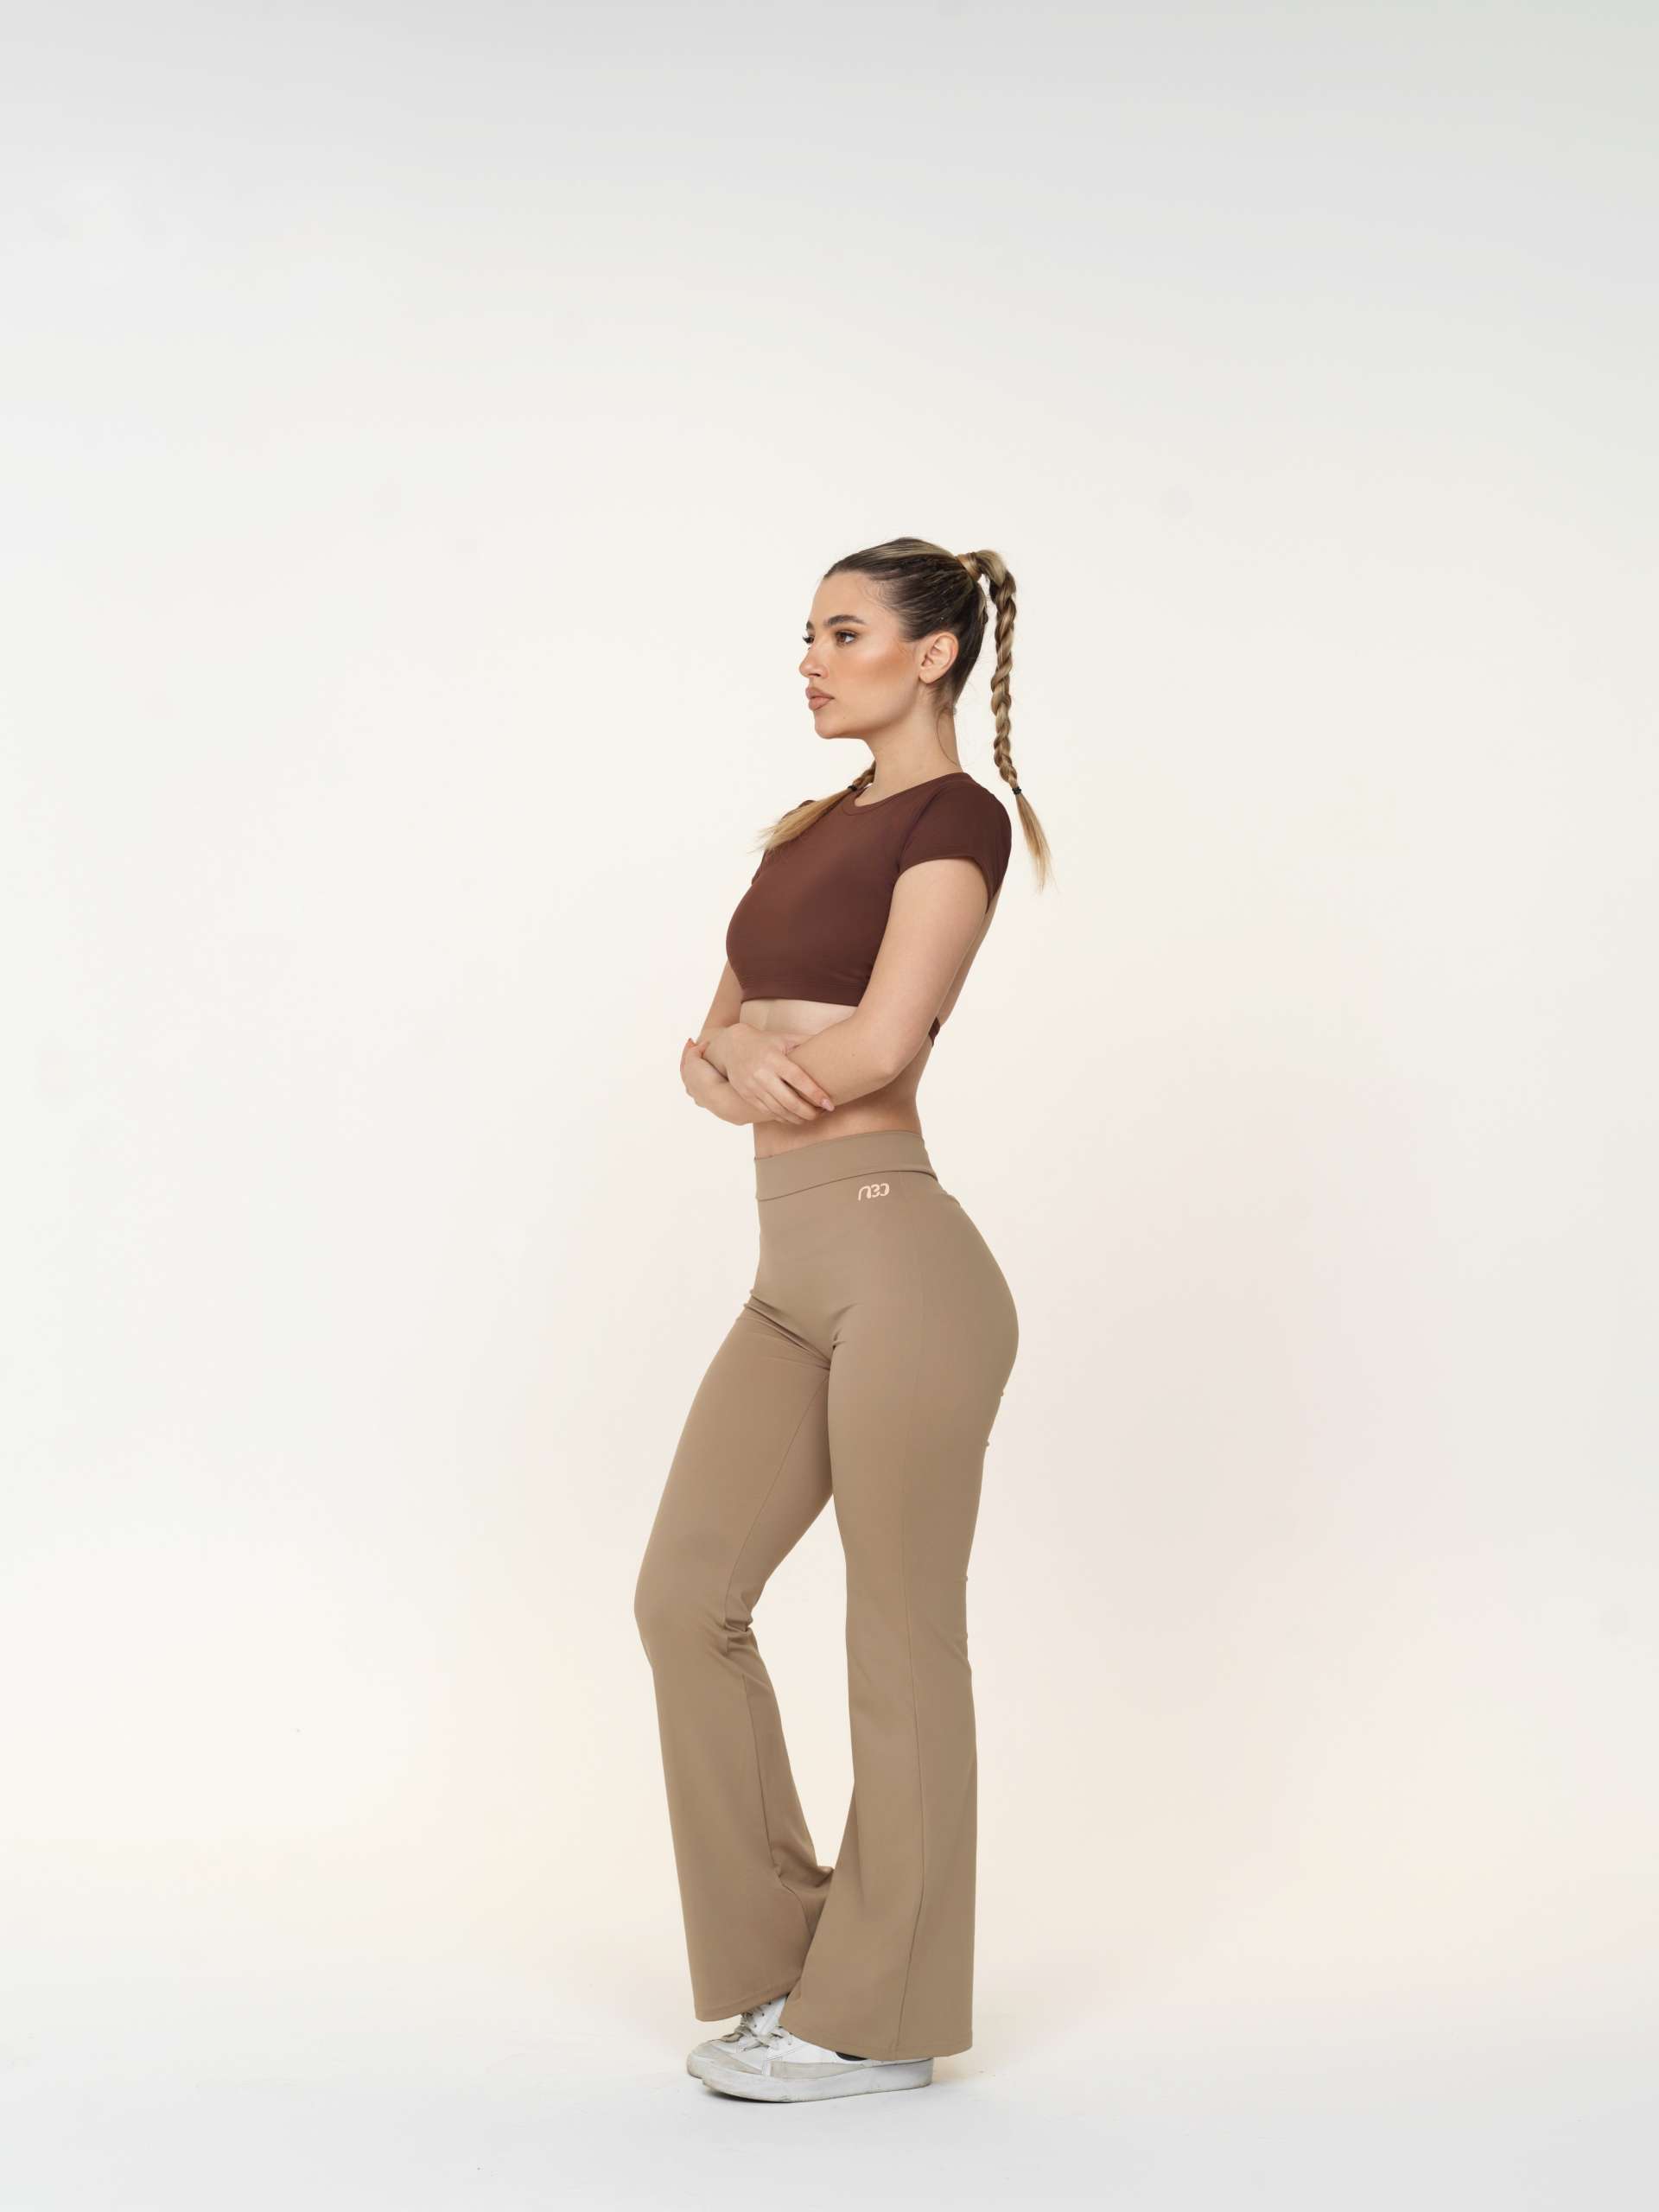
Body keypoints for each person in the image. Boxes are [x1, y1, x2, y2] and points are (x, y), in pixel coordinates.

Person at [633, 536, 1052, 2103]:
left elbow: (880, 1048)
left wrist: (738, 1064)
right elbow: (702, 1048)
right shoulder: (808, 829)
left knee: (898, 1632)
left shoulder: (957, 820)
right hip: (789, 1276)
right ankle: (796, 1967)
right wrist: (730, 1062)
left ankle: (883, 2020)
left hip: (902, 1266)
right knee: (685, 1599)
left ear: (932, 654)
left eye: (846, 633)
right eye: (807, 634)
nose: (811, 660)